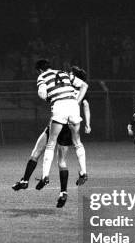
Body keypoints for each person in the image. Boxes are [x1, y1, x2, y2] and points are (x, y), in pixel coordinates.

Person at [12, 66, 91, 208]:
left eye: (72, 73)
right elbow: (85, 103)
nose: (69, 74)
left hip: (57, 123)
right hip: (69, 124)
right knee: (61, 160)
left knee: (37, 151)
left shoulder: (66, 84)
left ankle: (30, 179)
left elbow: (47, 94)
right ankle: (63, 192)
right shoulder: (75, 89)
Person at [34, 59, 88, 200]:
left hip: (59, 107)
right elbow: (85, 86)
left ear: (40, 70)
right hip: (73, 107)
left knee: (51, 143)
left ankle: (45, 176)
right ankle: (83, 172)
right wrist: (76, 103)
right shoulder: (64, 73)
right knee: (78, 142)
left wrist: (47, 97)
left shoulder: (42, 76)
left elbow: (42, 94)